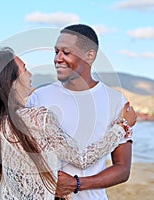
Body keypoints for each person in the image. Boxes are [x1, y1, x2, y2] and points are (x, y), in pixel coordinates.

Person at [0, 48, 136, 200]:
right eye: (25, 69)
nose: (30, 74)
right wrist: (122, 127)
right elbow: (82, 159)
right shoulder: (37, 117)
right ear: (12, 82)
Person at [27, 24, 136, 199]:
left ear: (90, 56)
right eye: (56, 52)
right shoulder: (39, 97)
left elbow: (123, 169)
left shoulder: (115, 102)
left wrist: (76, 184)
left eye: (66, 52)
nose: (58, 58)